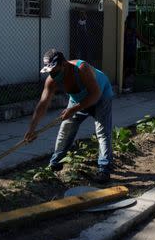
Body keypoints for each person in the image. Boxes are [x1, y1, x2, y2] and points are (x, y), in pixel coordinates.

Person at [24, 49, 115, 183]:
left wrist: (73, 110)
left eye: (55, 70)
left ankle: (104, 169)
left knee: (102, 132)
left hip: (101, 96)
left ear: (64, 64)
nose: (52, 74)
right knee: (66, 130)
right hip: (77, 99)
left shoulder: (82, 68)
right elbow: (42, 104)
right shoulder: (52, 79)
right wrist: (32, 129)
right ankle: (55, 164)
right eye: (50, 71)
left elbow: (95, 95)